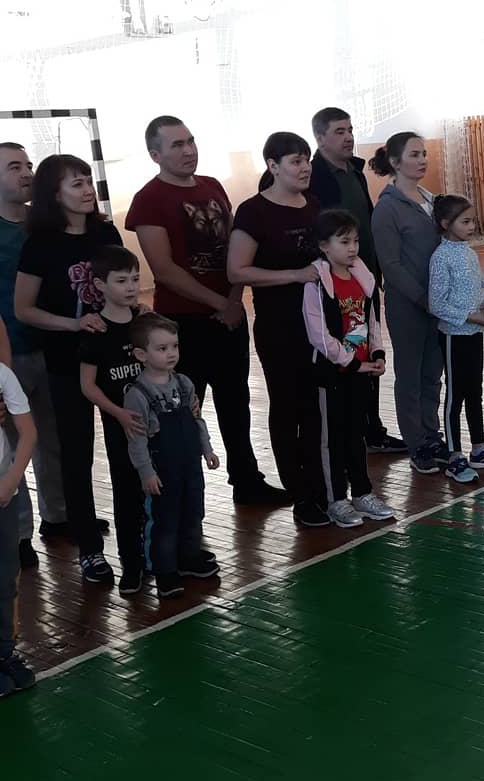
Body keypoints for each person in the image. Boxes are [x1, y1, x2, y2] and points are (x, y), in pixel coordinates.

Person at [127, 117, 288, 507]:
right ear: (155, 155)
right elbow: (164, 269)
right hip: (183, 325)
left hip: (228, 318)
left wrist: (234, 298)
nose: (188, 150)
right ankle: (180, 490)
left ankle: (247, 480)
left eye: (191, 141)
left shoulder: (213, 186)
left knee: (236, 402)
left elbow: (235, 253)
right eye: (177, 145)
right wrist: (222, 304)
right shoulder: (148, 199)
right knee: (183, 409)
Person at [14, 154, 122, 583]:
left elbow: (123, 287)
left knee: (128, 450)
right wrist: (73, 324)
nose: (87, 190)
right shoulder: (40, 244)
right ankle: (90, 551)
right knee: (76, 457)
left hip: (114, 361)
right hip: (65, 363)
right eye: (76, 184)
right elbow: (24, 309)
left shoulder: (106, 232)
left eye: (87, 181)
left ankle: (140, 543)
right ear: (54, 194)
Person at [228, 132, 323, 526]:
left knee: (316, 407)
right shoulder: (254, 212)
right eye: (295, 161)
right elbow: (237, 271)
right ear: (273, 166)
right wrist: (294, 275)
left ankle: (320, 486)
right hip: (279, 326)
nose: (304, 168)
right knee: (288, 406)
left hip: (318, 326)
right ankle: (299, 493)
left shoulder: (313, 205)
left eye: (306, 160)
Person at [305, 107, 406, 454]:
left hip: (363, 276)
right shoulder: (316, 177)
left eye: (350, 129)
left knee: (367, 348)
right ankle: (349, 433)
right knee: (344, 353)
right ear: (320, 138)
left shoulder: (355, 171)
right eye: (339, 131)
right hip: (337, 282)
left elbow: (363, 226)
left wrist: (374, 271)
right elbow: (324, 232)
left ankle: (371, 429)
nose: (348, 137)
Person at [301, 209, 396, 528]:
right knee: (332, 439)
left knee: (357, 434)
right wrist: (351, 362)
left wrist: (377, 353)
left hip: (360, 373)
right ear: (324, 246)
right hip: (333, 375)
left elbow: (371, 320)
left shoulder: (361, 277)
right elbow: (318, 335)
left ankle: (362, 492)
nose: (353, 248)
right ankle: (336, 499)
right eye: (344, 242)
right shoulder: (317, 283)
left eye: (355, 241)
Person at [0, 142, 68, 568]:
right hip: (9, 353)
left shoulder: (45, 225)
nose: (26, 172)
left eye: (28, 165)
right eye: (13, 167)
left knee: (53, 437)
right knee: (12, 446)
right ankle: (19, 533)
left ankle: (58, 517)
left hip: (52, 346)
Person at [123, 314, 220, 600]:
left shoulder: (184, 383)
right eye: (162, 348)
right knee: (164, 521)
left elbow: (196, 420)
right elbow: (137, 439)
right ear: (141, 354)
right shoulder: (137, 395)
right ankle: (164, 571)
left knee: (193, 513)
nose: (171, 353)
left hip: (190, 466)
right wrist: (146, 472)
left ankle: (189, 558)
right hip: (162, 471)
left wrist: (207, 449)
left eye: (174, 346)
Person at [370, 131, 447, 475]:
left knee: (433, 373)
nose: (422, 160)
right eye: (414, 154)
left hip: (436, 304)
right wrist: (421, 298)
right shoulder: (387, 209)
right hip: (408, 306)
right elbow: (390, 265)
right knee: (410, 377)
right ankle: (417, 444)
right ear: (395, 162)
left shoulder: (431, 200)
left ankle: (432, 435)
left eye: (424, 153)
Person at [78, 245, 149, 595]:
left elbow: (166, 364)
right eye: (121, 280)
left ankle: (162, 555)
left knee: (158, 492)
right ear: (100, 285)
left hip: (154, 428)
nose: (131, 286)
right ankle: (132, 564)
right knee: (127, 495)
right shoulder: (96, 331)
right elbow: (87, 386)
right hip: (122, 430)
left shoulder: (145, 322)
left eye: (135, 279)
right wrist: (118, 412)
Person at [427, 195, 484, 481]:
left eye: (472, 221)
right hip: (455, 336)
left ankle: (479, 450)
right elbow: (436, 304)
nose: (472, 226)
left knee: (475, 391)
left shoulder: (469, 252)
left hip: (474, 334)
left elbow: (476, 289)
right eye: (465, 222)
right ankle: (454, 456)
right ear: (445, 224)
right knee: (455, 396)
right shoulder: (441, 257)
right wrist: (469, 316)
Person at [0, 358, 35, 698]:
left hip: (4, 493)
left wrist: (10, 481)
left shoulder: (2, 375)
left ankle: (4, 652)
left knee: (6, 575)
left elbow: (28, 433)